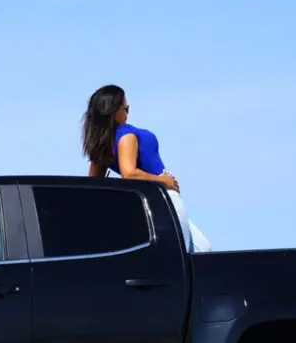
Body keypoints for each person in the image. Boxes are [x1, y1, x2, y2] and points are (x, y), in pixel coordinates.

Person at [81, 84, 211, 252]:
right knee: (180, 255)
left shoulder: (102, 145)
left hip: (148, 199)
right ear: (113, 111)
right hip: (163, 195)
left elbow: (94, 184)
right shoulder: (126, 135)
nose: (128, 113)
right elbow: (129, 174)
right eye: (125, 108)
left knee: (203, 248)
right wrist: (163, 181)